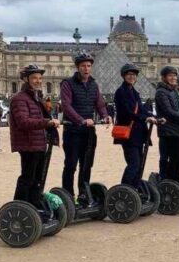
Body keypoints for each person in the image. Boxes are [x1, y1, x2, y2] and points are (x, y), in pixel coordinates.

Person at [60, 52, 112, 204]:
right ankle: (68, 195)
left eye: (89, 66)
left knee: (87, 165)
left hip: (88, 132)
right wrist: (81, 120)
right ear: (77, 67)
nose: (86, 68)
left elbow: (100, 104)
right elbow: (66, 106)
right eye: (83, 65)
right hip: (72, 131)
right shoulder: (68, 84)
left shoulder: (94, 85)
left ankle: (83, 193)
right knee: (70, 165)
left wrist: (105, 115)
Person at [10, 65, 60, 208]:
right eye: (34, 78)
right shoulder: (20, 99)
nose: (38, 81)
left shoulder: (36, 98)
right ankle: (19, 207)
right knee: (28, 178)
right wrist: (47, 122)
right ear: (26, 79)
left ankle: (33, 205)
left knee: (37, 178)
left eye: (39, 78)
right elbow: (23, 122)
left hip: (38, 143)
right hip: (28, 144)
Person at [113, 63, 158, 189]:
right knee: (134, 164)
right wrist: (145, 118)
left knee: (140, 164)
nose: (132, 76)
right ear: (124, 76)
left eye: (134, 74)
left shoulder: (135, 92)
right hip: (128, 134)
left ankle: (134, 189)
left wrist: (154, 116)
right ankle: (124, 190)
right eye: (129, 74)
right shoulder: (120, 92)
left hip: (138, 134)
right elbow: (126, 113)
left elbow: (142, 110)